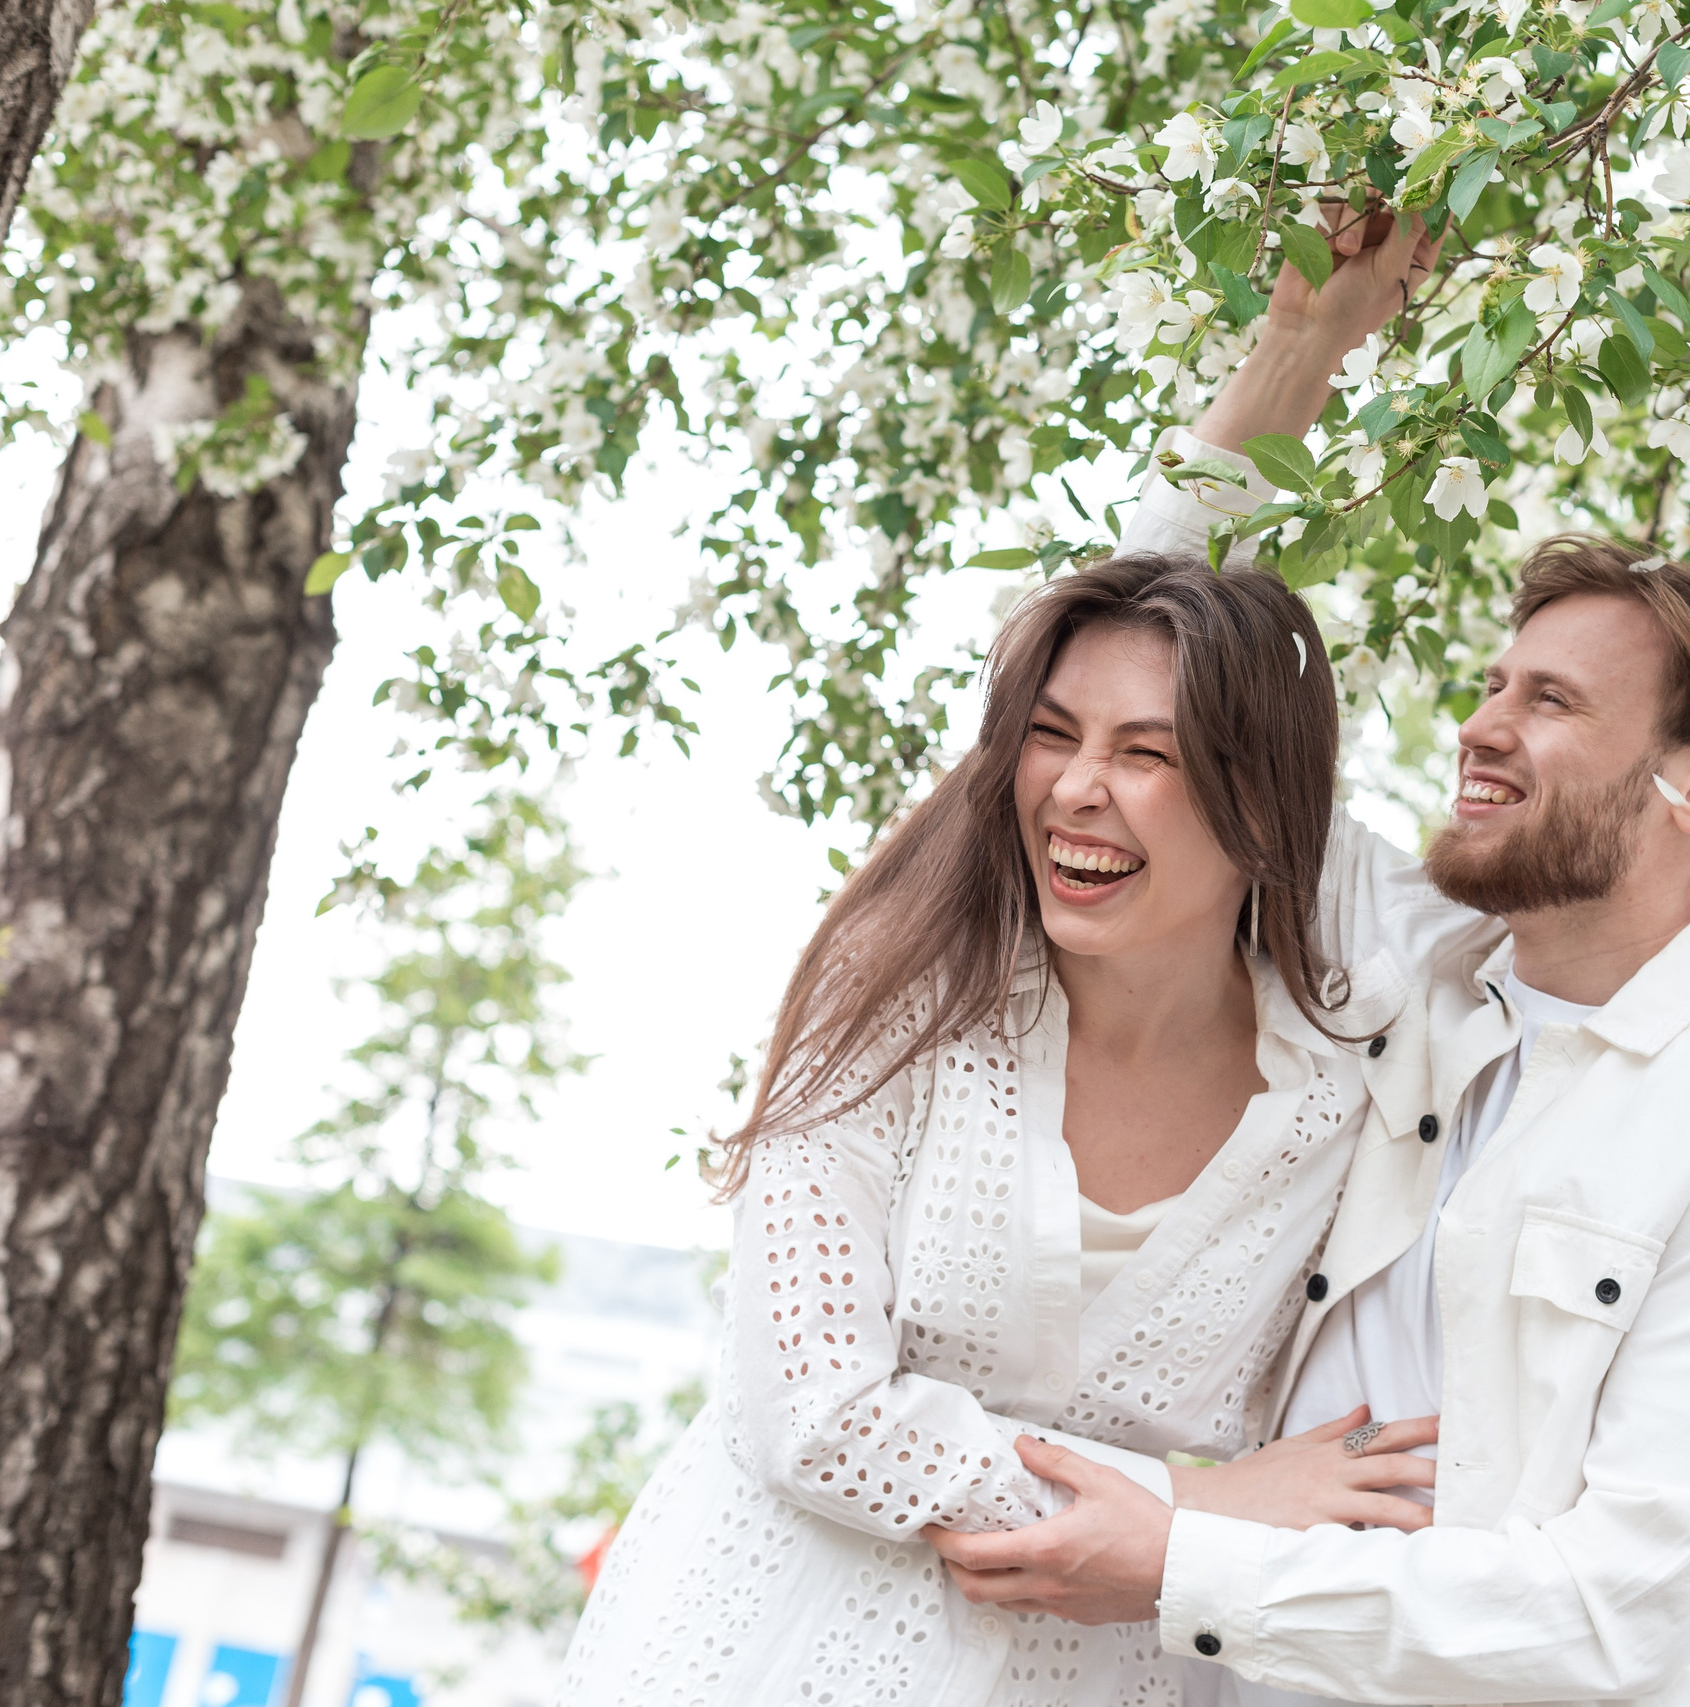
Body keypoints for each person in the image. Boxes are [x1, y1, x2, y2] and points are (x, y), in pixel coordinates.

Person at [925, 222, 1690, 1707]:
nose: (1482, 728)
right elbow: (1124, 657)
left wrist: (1180, 1562)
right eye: (1494, 685)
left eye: (1550, 703)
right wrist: (1300, 350)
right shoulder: (1407, 955)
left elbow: (1617, 1614)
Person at [553, 211, 1487, 1704]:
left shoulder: (1341, 1086)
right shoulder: (911, 990)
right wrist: (1193, 1512)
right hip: (747, 1657)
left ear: (1264, 809)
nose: (1075, 788)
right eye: (1048, 740)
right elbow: (823, 1419)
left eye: (1146, 756)